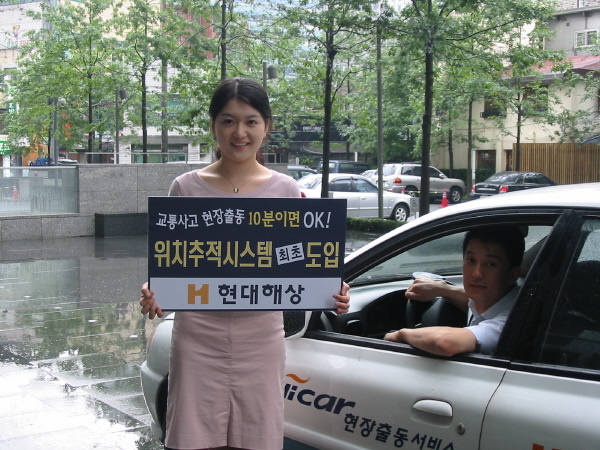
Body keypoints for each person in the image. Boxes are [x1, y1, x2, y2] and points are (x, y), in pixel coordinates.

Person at [139, 77, 350, 450]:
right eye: (228, 121)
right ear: (213, 126)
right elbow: (174, 265)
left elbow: (299, 261)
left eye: (251, 121)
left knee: (256, 436)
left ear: (266, 127)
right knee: (193, 436)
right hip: (197, 339)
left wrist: (329, 288)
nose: (240, 132)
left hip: (261, 340)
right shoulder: (185, 188)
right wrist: (155, 292)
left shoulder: (286, 190)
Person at [384, 226, 525, 357]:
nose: (476, 274)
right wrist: (442, 289)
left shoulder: (511, 321)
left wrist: (399, 335)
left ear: (512, 275)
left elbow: (445, 342)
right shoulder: (509, 298)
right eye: (471, 260)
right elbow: (471, 300)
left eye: (490, 264)